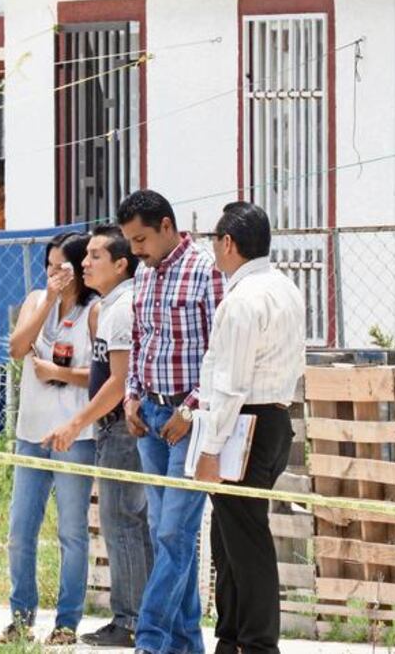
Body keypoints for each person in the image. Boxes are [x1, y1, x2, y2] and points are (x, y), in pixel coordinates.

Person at [192, 202, 305, 654]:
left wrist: (210, 448)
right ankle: (233, 635)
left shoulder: (243, 299)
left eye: (215, 241)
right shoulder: (284, 287)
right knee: (230, 534)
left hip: (245, 423)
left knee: (246, 537)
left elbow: (232, 382)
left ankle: (257, 643)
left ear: (228, 243)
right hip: (273, 419)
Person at [118, 190, 223, 654]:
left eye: (140, 239)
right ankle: (186, 644)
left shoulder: (205, 270)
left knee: (172, 533)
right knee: (170, 537)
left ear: (166, 226)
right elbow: (141, 338)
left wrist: (191, 407)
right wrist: (132, 394)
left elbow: (221, 351)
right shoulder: (144, 272)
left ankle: (152, 639)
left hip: (191, 419)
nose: (135, 250)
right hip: (151, 415)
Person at [44, 224, 153, 648]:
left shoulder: (122, 307)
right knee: (126, 521)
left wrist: (75, 423)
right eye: (84, 256)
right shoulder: (107, 306)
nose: (84, 263)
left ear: (121, 264)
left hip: (121, 430)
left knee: (121, 522)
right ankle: (137, 616)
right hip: (111, 428)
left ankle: (130, 620)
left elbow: (119, 381)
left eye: (94, 256)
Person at [0, 232, 97, 646]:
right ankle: (20, 617)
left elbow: (101, 376)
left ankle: (67, 621)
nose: (55, 274)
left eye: (64, 267)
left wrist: (59, 374)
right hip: (32, 432)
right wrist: (49, 302)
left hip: (75, 432)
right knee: (21, 530)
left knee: (71, 532)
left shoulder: (95, 309)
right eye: (50, 266)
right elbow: (18, 348)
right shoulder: (37, 300)